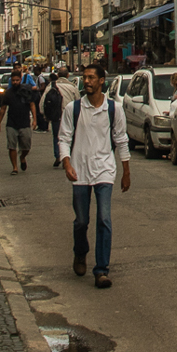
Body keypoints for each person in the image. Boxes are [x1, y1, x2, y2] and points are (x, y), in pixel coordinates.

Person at [56, 63, 130, 289]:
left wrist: (126, 171)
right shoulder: (74, 108)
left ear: (101, 81)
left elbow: (121, 139)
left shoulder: (114, 109)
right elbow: (64, 138)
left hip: (104, 169)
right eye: (84, 77)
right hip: (79, 171)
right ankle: (80, 252)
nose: (86, 81)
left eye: (90, 78)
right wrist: (66, 163)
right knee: (81, 221)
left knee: (104, 219)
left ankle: (101, 270)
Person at [4, 72, 34, 173]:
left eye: (17, 80)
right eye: (13, 80)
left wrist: (35, 119)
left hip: (24, 122)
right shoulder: (8, 93)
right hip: (11, 123)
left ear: (20, 80)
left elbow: (32, 105)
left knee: (26, 146)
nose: (15, 82)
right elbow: (3, 108)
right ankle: (15, 167)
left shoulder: (26, 91)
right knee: (11, 147)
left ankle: (22, 157)